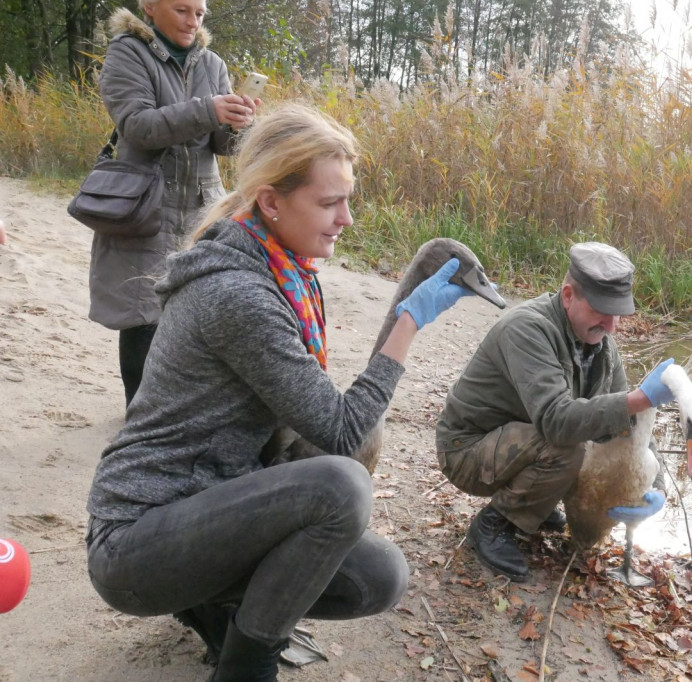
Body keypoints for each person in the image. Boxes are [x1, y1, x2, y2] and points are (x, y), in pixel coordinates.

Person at [85, 103, 475, 682]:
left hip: (211, 505)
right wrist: (407, 322)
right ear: (271, 202)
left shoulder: (283, 271)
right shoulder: (239, 294)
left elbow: (326, 425)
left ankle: (217, 607)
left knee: (378, 578)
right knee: (340, 485)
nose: (346, 218)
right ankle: (247, 668)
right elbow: (342, 430)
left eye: (348, 200)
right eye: (329, 202)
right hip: (137, 540)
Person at [434, 242, 677, 581]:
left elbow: (633, 429)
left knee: (598, 438)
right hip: (466, 451)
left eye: (618, 313)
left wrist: (658, 487)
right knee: (568, 446)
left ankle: (538, 503)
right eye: (602, 311)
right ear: (567, 296)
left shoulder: (604, 348)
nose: (611, 326)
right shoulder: (527, 329)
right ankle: (493, 524)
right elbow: (556, 421)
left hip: (517, 441)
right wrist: (640, 398)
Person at [89, 0, 259, 408]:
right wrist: (209, 109)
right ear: (150, 6)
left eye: (199, 13)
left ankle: (176, 415)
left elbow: (222, 146)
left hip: (201, 209)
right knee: (142, 313)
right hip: (144, 204)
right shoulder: (127, 52)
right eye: (182, 10)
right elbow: (137, 126)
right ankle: (139, 418)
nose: (192, 21)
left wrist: (239, 124)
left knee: (195, 313)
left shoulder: (212, 64)